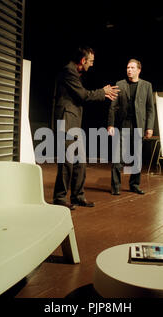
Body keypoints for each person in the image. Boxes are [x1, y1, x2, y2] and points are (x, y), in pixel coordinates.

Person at [53, 46, 119, 210]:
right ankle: (60, 197)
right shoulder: (68, 71)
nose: (92, 64)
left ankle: (77, 196)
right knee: (67, 162)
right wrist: (102, 92)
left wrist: (102, 93)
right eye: (91, 61)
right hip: (66, 121)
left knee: (80, 161)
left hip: (74, 122)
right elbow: (83, 95)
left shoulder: (75, 73)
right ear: (83, 60)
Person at [107, 59, 155, 195]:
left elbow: (150, 109)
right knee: (118, 157)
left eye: (132, 68)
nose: (129, 70)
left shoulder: (147, 85)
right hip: (123, 125)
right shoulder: (120, 84)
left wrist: (149, 127)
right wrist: (110, 124)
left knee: (137, 158)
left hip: (139, 126)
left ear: (139, 70)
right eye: (128, 67)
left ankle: (134, 185)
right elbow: (113, 107)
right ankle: (115, 187)